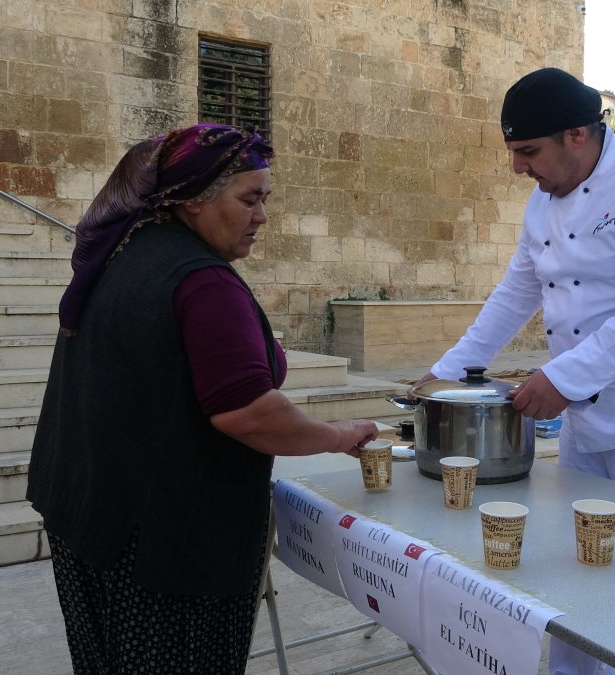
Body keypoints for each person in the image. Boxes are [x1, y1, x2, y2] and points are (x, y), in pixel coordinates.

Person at [27, 123, 379, 673]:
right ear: (193, 199)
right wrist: (339, 436)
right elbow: (250, 414)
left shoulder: (128, 250)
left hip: (88, 513)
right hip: (161, 546)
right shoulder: (202, 280)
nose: (262, 216)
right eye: (250, 199)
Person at [419, 67, 615, 675]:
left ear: (576, 135)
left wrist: (563, 378)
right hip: (589, 424)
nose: (518, 169)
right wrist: (444, 377)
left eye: (527, 152)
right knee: (580, 569)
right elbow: (514, 295)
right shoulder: (541, 206)